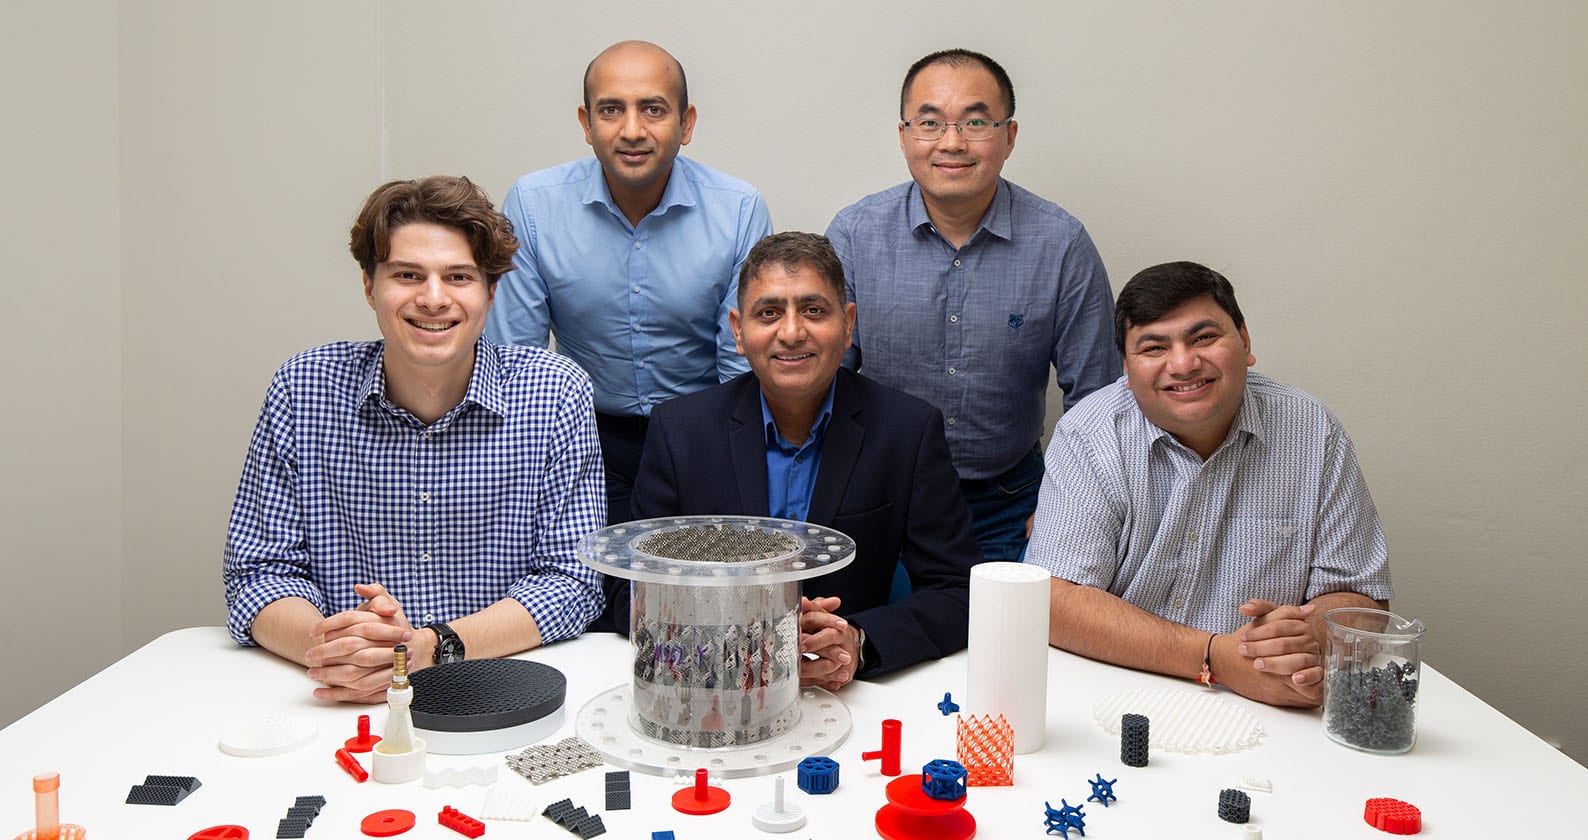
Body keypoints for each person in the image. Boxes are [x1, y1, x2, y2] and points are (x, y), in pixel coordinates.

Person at [223, 176, 606, 703]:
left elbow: (572, 581)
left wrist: (428, 648)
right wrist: (341, 651)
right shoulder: (303, 388)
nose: (432, 298)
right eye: (407, 275)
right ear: (369, 286)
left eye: (458, 277)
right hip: (335, 699)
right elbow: (258, 572)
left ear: (491, 293)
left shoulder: (555, 391)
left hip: (500, 691)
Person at [625, 232, 984, 689]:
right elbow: (628, 588)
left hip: (848, 693)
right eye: (768, 313)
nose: (792, 332)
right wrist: (726, 641)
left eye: (813, 311)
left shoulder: (906, 432)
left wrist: (859, 641)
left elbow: (960, 591)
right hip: (709, 687)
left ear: (848, 324)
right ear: (738, 331)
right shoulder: (681, 432)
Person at [1026, 261, 1393, 708]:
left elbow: (1362, 603)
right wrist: (1214, 658)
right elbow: (1053, 601)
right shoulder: (1089, 434)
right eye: (1154, 347)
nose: (1183, 364)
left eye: (1203, 338)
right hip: (1115, 689)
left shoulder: (1313, 431)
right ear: (1127, 367)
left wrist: (1300, 638)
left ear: (1245, 342)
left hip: (1268, 696)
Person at [825, 48, 1119, 564]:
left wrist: (1067, 503)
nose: (952, 142)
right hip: (878, 491)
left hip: (1010, 499)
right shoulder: (854, 236)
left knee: (1008, 619)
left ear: (1010, 136)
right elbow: (826, 379)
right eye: (930, 123)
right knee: (873, 618)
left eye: (976, 122)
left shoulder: (1062, 244)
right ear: (903, 136)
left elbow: (1097, 397)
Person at [485, 40, 772, 531]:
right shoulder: (533, 206)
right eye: (611, 110)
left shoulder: (738, 209)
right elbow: (518, 363)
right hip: (583, 435)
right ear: (586, 123)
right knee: (592, 576)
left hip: (704, 432)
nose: (632, 130)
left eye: (653, 109)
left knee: (705, 574)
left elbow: (740, 364)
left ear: (686, 123)